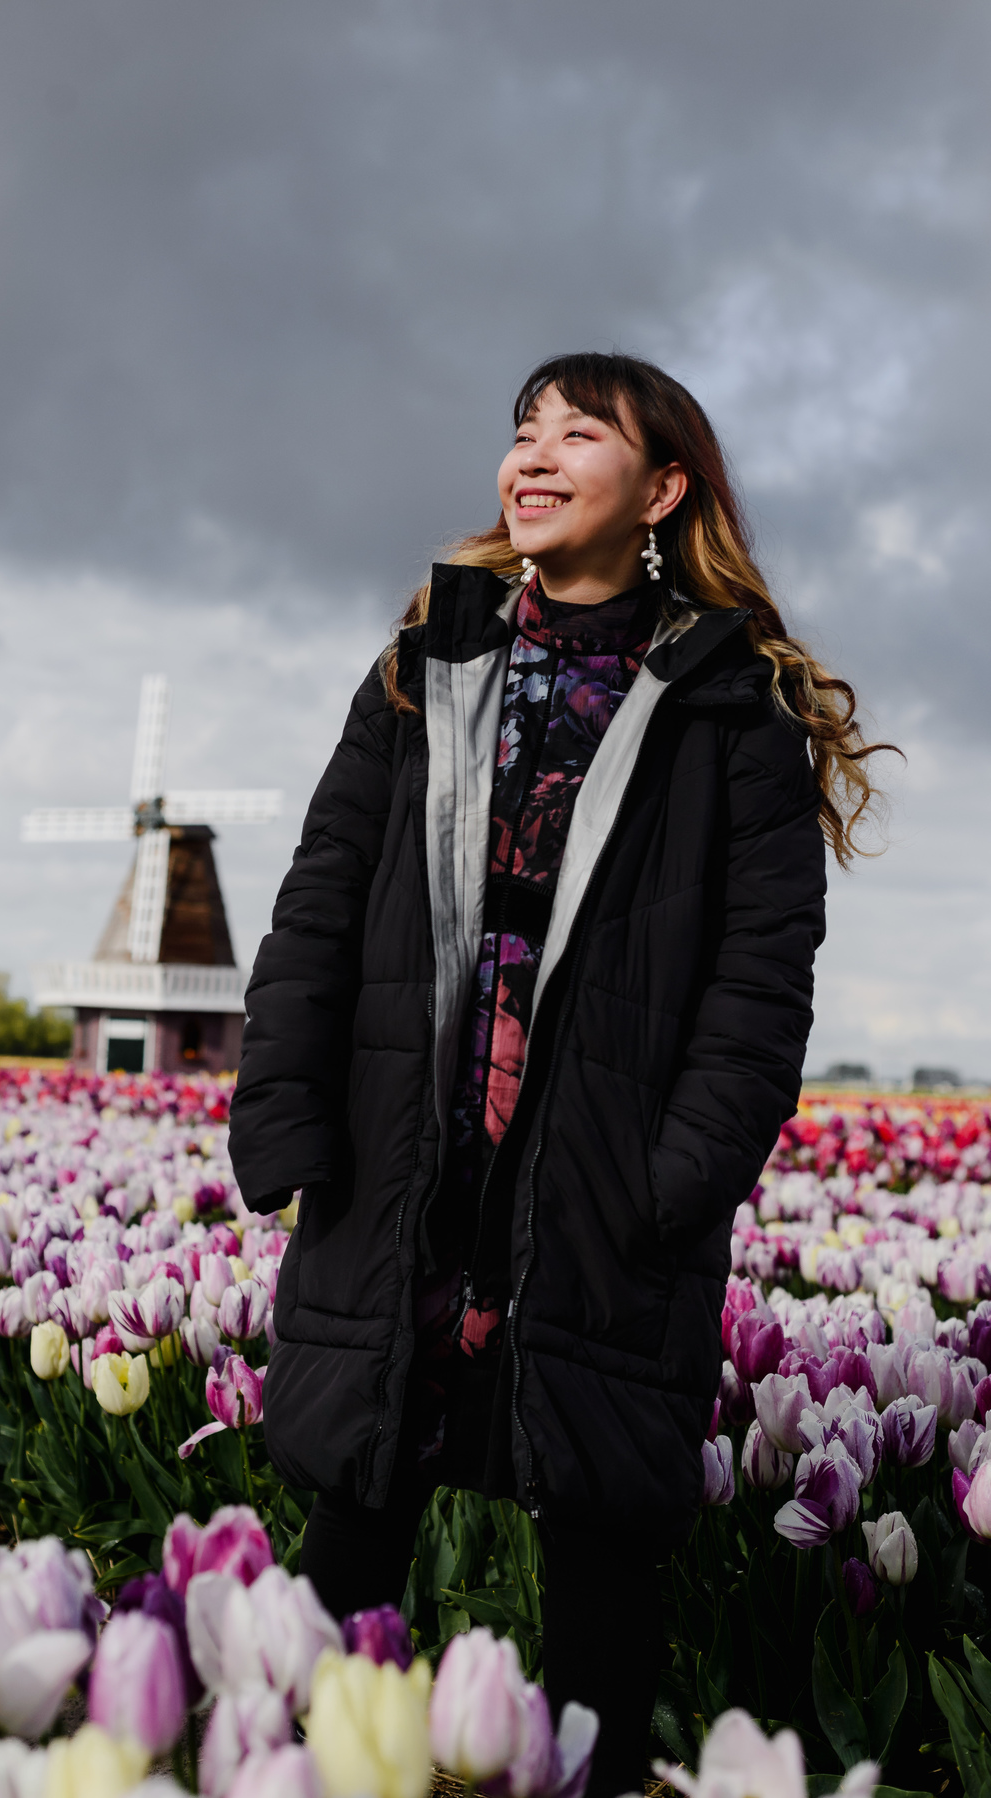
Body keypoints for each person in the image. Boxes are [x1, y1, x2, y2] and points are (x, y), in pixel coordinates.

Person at [228, 351, 889, 1795]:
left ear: (661, 491)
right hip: (412, 1133)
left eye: (577, 433)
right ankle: (298, 1772)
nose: (532, 455)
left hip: (599, 1162)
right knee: (363, 1497)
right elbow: (324, 891)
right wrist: (284, 1108)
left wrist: (678, 1172)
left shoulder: (729, 708)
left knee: (598, 1536)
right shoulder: (428, 657)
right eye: (520, 431)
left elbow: (760, 980)